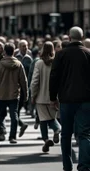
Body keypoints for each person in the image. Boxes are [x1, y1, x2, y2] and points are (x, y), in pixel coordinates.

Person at [50, 26, 90, 171]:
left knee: (66, 134)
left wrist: (52, 97)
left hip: (66, 99)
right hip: (86, 100)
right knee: (85, 134)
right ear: (82, 36)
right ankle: (84, 166)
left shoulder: (61, 55)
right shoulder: (88, 53)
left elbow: (54, 77)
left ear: (69, 36)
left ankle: (67, 166)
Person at [0, 43, 28, 143]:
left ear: (4, 52)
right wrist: (26, 94)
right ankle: (12, 137)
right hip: (14, 94)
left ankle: (1, 134)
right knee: (14, 116)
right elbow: (24, 81)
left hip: (1, 94)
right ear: (13, 51)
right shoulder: (19, 65)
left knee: (0, 116)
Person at [30, 41, 61, 153]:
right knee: (52, 118)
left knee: (43, 120)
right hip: (54, 97)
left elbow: (35, 81)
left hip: (41, 97)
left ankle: (46, 139)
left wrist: (33, 95)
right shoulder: (56, 62)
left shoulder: (39, 63)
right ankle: (57, 129)